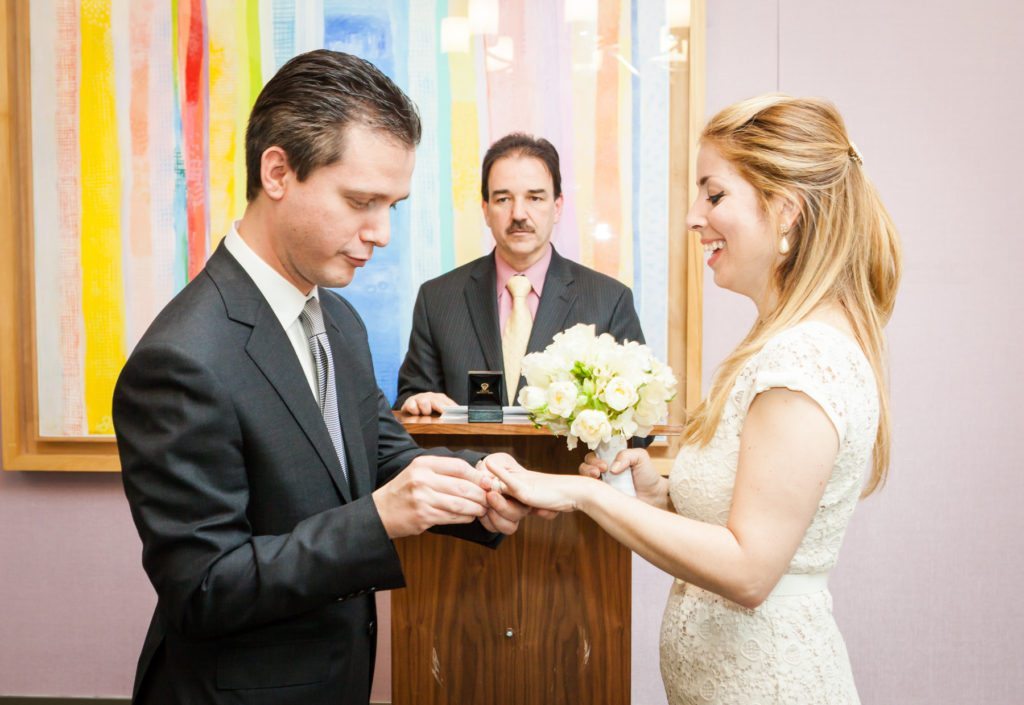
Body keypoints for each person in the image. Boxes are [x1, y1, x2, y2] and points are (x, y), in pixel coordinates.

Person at [113, 50, 529, 705]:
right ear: (277, 171)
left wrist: (484, 487)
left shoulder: (339, 319)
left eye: (392, 205)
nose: (382, 232)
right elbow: (204, 587)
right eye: (362, 201)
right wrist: (379, 520)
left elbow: (379, 455)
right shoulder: (181, 359)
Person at [484, 95, 901, 703]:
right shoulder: (779, 341)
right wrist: (658, 495)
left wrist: (584, 493)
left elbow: (748, 570)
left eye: (714, 194)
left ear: (784, 210)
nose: (693, 217)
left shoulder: (806, 359)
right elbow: (738, 522)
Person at [395, 133, 646, 414]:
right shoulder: (438, 299)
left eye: (535, 198)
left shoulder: (609, 301)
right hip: (466, 459)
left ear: (557, 207)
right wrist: (417, 403)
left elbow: (639, 416)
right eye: (503, 199)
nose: (519, 214)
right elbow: (411, 401)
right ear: (486, 210)